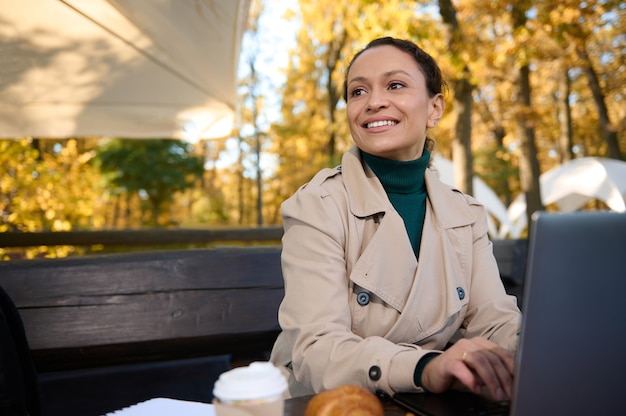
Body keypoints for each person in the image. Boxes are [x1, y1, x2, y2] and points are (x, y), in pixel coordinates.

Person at [269, 36, 521, 402]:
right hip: (325, 402)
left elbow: (495, 321)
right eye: (357, 92)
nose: (373, 102)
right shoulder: (316, 205)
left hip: (420, 401)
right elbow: (317, 351)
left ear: (435, 108)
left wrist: (544, 356)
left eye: (395, 85)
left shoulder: (466, 214)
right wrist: (427, 367)